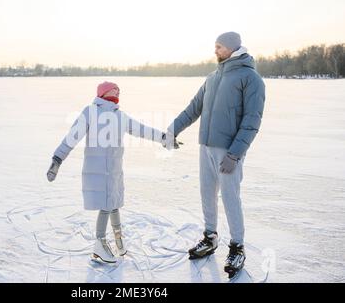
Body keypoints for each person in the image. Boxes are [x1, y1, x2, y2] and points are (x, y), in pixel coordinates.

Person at [165, 32, 266, 278]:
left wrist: (236, 153)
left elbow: (252, 120)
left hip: (229, 150)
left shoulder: (250, 78)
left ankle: (237, 247)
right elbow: (193, 108)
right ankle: (210, 237)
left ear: (232, 48)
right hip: (206, 147)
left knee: (231, 197)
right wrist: (172, 130)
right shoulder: (212, 77)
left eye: (219, 47)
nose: (215, 51)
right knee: (206, 193)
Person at [47, 81, 178, 263]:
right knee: (106, 206)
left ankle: (118, 239)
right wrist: (57, 158)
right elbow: (72, 136)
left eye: (118, 90)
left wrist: (164, 138)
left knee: (115, 203)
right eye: (113, 90)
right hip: (98, 170)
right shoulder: (91, 112)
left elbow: (142, 129)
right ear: (103, 93)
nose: (117, 93)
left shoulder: (120, 116)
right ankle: (99, 244)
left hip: (115, 170)